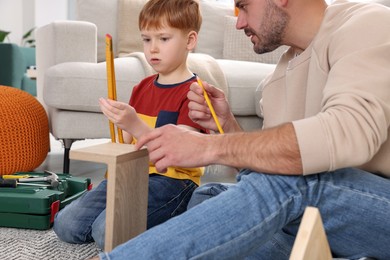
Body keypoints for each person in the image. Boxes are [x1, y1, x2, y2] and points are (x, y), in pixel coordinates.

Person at [91, 0, 390, 259]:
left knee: (296, 182)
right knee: (209, 197)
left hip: (377, 206)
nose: (239, 22)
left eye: (244, 6)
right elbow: (267, 169)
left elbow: (349, 134)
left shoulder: (365, 24)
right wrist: (226, 128)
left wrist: (207, 146)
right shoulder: (279, 77)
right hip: (326, 213)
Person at [53, 0, 206, 249]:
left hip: (173, 181)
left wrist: (135, 124)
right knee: (66, 224)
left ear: (189, 41)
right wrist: (121, 122)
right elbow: (126, 145)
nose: (153, 49)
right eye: (146, 39)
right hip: (132, 175)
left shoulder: (195, 93)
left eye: (164, 39)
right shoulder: (142, 87)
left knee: (107, 232)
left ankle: (176, 218)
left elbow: (182, 154)